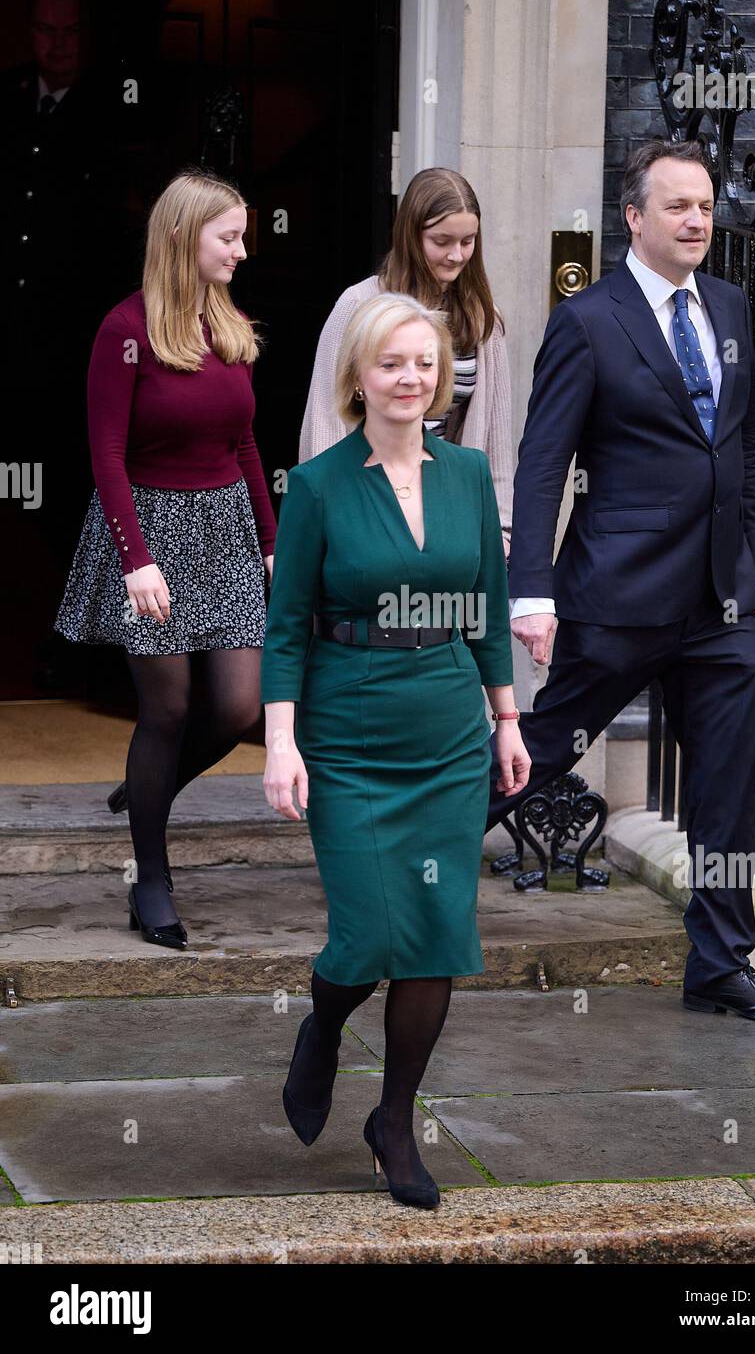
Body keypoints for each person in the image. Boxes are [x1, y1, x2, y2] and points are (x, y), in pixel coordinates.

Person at [486, 138, 755, 1026]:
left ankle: (721, 964)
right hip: (620, 594)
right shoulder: (588, 320)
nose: (697, 221)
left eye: (705, 205)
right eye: (676, 206)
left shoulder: (732, 306)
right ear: (633, 218)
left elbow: (738, 452)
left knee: (728, 792)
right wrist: (533, 589)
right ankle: (405, 867)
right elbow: (544, 463)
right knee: (540, 747)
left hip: (722, 603)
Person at [261, 292, 530, 1208]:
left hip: (449, 731)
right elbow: (286, 625)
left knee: (435, 937)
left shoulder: (467, 475)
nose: (410, 379)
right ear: (359, 378)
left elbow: (486, 613)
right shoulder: (321, 485)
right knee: (368, 933)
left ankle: (395, 1121)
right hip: (348, 733)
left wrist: (507, 721)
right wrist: (280, 743)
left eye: (424, 363)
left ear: (442, 377)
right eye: (391, 364)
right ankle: (325, 1024)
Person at [54, 168, 277, 950]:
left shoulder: (232, 325)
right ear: (184, 237)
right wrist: (135, 561)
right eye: (229, 237)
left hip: (224, 531)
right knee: (170, 708)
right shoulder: (124, 328)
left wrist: (274, 543)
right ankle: (151, 877)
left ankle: (148, 792)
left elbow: (246, 443)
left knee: (240, 707)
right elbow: (105, 455)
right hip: (147, 527)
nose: (242, 251)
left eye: (245, 236)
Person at [298, 167, 514, 559]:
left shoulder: (483, 317)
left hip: (451, 509)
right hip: (365, 504)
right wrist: (325, 524)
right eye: (441, 241)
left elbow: (496, 441)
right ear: (411, 237)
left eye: (468, 241)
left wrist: (499, 528)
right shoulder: (356, 306)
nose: (456, 254)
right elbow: (325, 425)